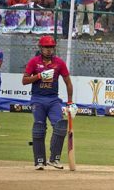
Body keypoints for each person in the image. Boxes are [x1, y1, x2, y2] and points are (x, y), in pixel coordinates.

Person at [21, 36, 75, 169]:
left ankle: (54, 159)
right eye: (46, 47)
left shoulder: (59, 63)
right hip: (38, 99)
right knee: (39, 127)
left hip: (53, 100)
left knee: (61, 126)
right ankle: (39, 160)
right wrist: (39, 76)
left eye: (51, 47)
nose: (49, 50)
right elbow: (24, 81)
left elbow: (68, 82)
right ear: (41, 48)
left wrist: (70, 102)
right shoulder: (34, 62)